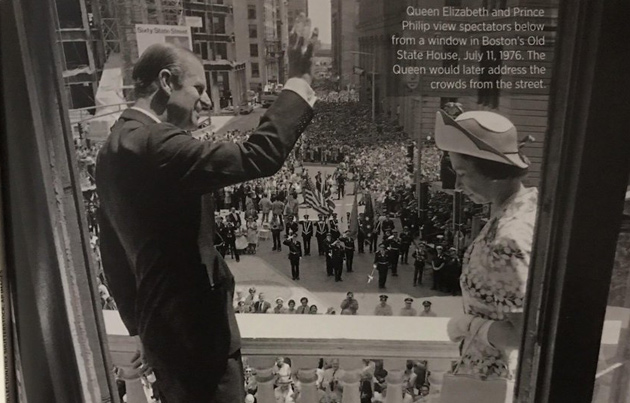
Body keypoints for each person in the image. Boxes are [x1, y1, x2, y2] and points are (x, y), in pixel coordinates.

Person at [96, 20, 320, 399]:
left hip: (163, 341)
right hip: (200, 345)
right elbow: (259, 155)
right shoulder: (155, 143)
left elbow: (113, 253)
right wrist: (298, 79)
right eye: (198, 88)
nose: (209, 102)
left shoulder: (113, 146)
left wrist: (139, 328)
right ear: (166, 82)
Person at [435, 110, 537, 381]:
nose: (457, 185)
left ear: (492, 172)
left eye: (463, 174)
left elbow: (523, 334)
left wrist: (468, 324)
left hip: (495, 381)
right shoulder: (527, 206)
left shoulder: (508, 238)